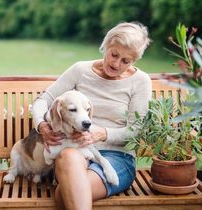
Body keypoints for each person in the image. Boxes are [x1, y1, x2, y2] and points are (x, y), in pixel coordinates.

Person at [32, 22, 152, 210]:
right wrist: (42, 126)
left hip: (116, 158)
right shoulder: (80, 70)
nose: (116, 63)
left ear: (134, 61)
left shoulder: (140, 82)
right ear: (106, 46)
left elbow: (136, 131)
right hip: (73, 150)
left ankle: (66, 188)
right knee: (68, 160)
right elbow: (43, 100)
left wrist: (102, 133)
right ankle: (68, 186)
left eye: (125, 61)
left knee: (65, 195)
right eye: (114, 54)